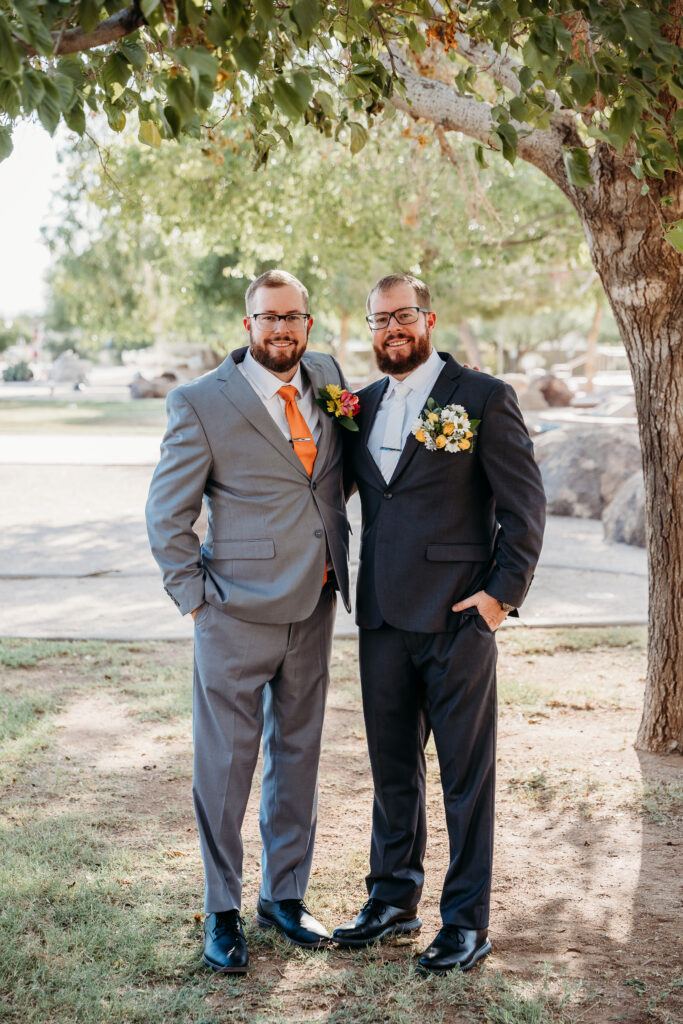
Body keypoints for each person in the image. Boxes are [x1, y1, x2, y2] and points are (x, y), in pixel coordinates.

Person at [334, 273, 545, 974]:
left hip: (458, 618)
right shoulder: (356, 406)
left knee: (463, 778)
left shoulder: (482, 397)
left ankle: (465, 922)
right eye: (378, 319)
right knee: (393, 771)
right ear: (368, 330)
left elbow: (523, 508)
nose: (391, 328)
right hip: (383, 620)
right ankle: (392, 899)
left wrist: (498, 598)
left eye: (403, 315)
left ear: (427, 318)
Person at [146, 270, 351, 973]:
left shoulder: (326, 376)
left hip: (315, 606)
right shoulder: (201, 402)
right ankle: (222, 909)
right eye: (268, 318)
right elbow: (165, 516)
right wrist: (196, 598)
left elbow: (332, 476)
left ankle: (284, 897)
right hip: (234, 613)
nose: (280, 329)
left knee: (297, 756)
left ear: (308, 324)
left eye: (292, 317)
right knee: (225, 768)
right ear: (247, 325)